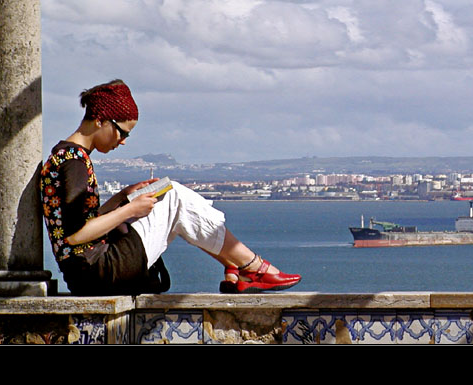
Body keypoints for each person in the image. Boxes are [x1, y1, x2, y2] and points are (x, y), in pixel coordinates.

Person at [40, 79, 301, 296]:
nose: (123, 141)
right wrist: (128, 210)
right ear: (100, 120)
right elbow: (74, 235)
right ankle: (251, 266)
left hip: (87, 273)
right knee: (174, 196)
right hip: (100, 272)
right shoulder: (74, 163)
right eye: (122, 132)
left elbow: (79, 222)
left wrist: (123, 196)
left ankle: (239, 266)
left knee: (171, 198)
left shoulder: (63, 155)